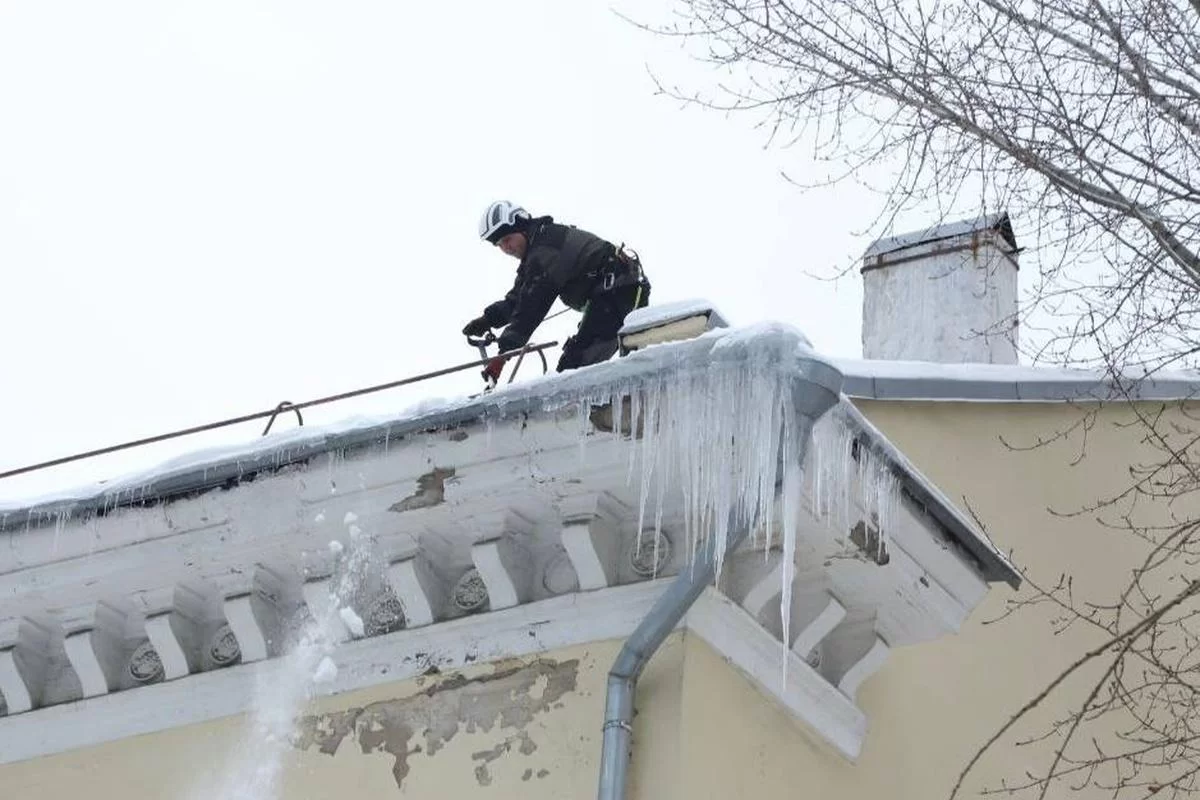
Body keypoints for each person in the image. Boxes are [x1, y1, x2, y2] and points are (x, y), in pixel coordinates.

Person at [463, 200, 651, 384]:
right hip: (613, 294)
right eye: (499, 245)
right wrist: (488, 319)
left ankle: (606, 404)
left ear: (521, 228)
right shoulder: (537, 251)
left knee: (574, 369)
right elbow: (518, 299)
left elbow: (530, 307)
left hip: (618, 293)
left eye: (507, 240)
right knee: (575, 366)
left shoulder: (546, 250)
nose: (506, 248)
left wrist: (502, 357)